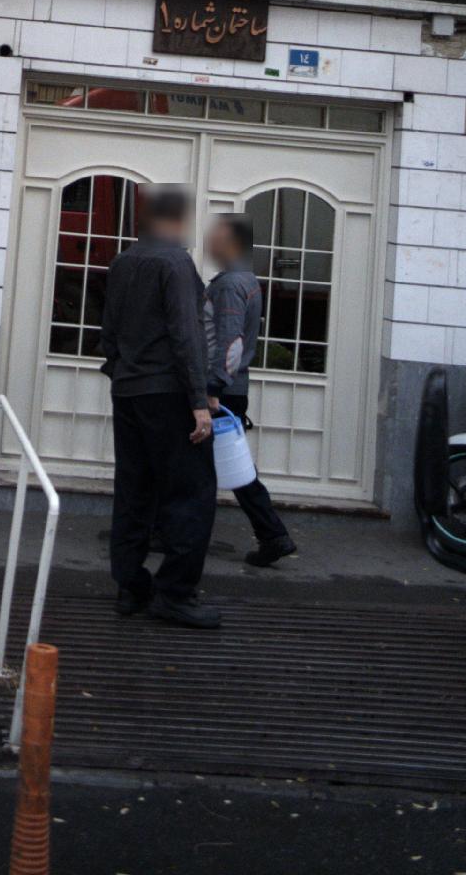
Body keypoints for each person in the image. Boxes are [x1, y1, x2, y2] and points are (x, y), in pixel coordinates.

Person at [100, 184, 219, 629]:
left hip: (128, 391)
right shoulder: (175, 263)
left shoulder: (122, 262)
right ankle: (175, 593)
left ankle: (130, 586)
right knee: (191, 495)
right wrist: (199, 400)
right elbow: (186, 335)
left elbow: (108, 332)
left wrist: (121, 372)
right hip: (168, 394)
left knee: (134, 491)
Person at [204, 211, 297, 568]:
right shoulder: (244, 280)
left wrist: (212, 389)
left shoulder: (230, 284)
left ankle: (272, 535)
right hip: (230, 388)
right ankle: (273, 535)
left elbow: (230, 344)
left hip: (220, 391)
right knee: (231, 466)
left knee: (211, 466)